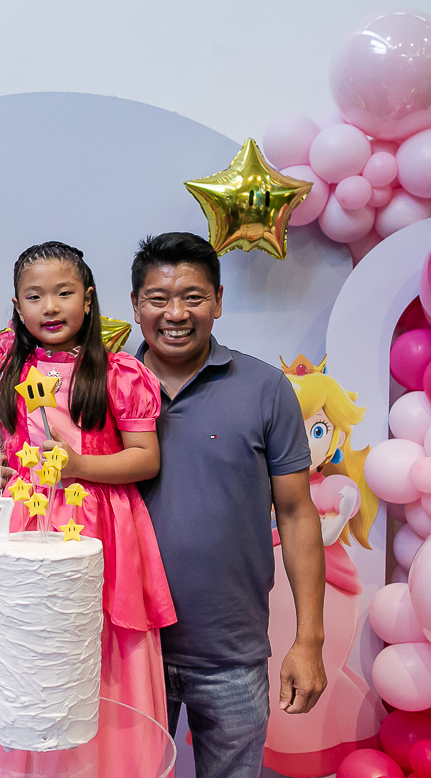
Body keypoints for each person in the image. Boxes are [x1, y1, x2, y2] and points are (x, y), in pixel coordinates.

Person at [0, 241, 177, 735]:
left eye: (64, 293)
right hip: (27, 518)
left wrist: (78, 465)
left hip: (101, 523)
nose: (50, 307)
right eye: (34, 296)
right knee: (30, 646)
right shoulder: (4, 365)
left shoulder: (118, 373)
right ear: (16, 307)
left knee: (96, 638)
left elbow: (145, 459)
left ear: (88, 300)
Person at [130, 232, 328, 778]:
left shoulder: (265, 388)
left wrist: (308, 640)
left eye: (193, 297)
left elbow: (296, 514)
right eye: (158, 298)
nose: (175, 313)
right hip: (127, 648)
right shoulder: (104, 387)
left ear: (218, 301)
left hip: (232, 654)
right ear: (135, 305)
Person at [263, 355, 381, 774]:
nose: (304, 442)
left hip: (323, 588)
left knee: (314, 669)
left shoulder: (335, 487)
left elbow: (322, 535)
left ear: (334, 437)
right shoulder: (261, 486)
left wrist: (282, 520)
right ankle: (273, 745)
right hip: (269, 590)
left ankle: (312, 746)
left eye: (317, 430)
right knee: (270, 664)